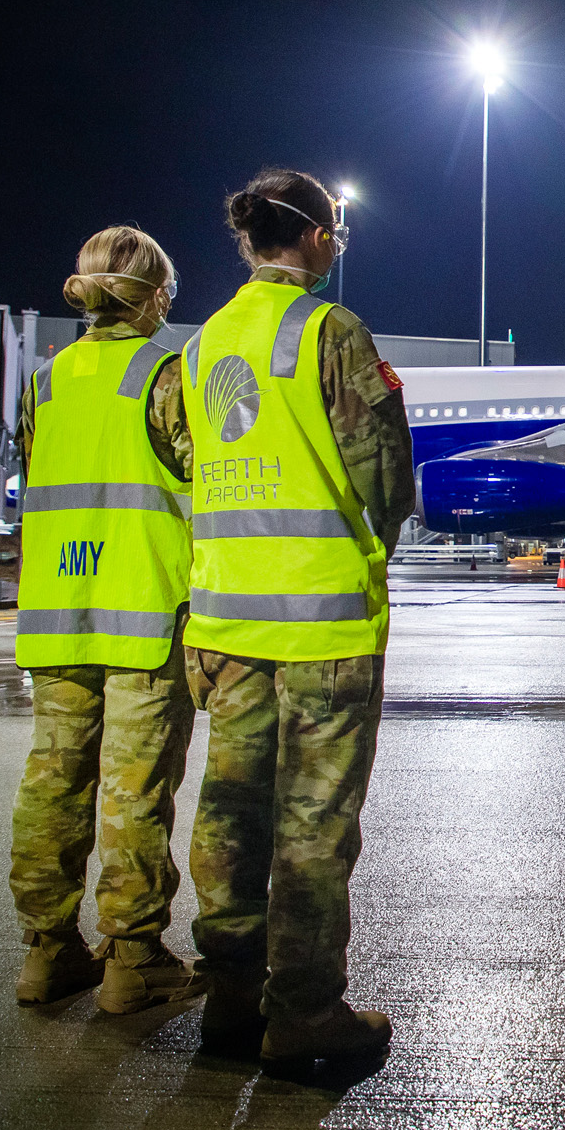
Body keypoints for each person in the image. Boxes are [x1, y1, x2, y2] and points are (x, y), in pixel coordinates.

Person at [183, 168, 413, 1066]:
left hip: (225, 628)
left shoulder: (202, 345)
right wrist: (367, 542)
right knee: (312, 829)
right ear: (315, 236)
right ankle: (305, 1014)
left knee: (229, 816)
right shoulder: (330, 332)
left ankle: (230, 997)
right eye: (335, 233)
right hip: (322, 628)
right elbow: (384, 475)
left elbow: (185, 461)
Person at [8, 225, 203, 1013]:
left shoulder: (45, 382)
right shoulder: (165, 375)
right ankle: (132, 960)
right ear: (155, 296)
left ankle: (47, 952)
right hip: (146, 616)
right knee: (134, 793)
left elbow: (35, 470)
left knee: (51, 783)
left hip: (56, 613)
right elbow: (204, 482)